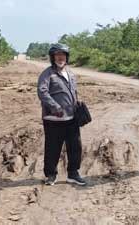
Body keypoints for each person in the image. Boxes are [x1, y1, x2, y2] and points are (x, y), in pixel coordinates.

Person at [37, 43, 86, 186]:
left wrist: (78, 104)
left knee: (75, 147)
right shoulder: (47, 74)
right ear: (52, 57)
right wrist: (55, 106)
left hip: (71, 118)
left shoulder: (70, 73)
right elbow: (42, 92)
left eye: (63, 55)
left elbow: (73, 92)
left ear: (67, 57)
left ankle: (73, 174)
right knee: (53, 148)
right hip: (54, 119)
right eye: (57, 55)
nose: (60, 58)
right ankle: (51, 175)